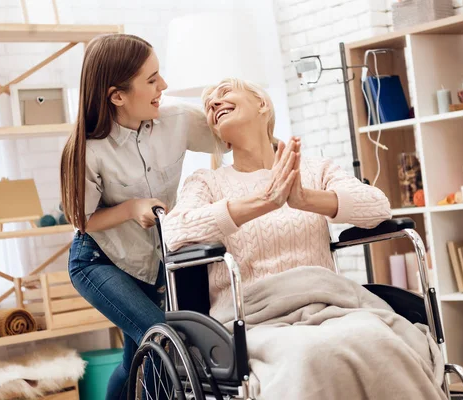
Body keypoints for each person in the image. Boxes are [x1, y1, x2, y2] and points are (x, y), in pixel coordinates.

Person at [162, 78, 447, 399]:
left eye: (224, 93)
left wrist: (305, 199)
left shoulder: (313, 169)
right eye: (209, 103)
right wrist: (263, 203)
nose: (214, 103)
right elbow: (175, 232)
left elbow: (377, 207)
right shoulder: (208, 182)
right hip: (255, 320)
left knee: (378, 341)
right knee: (309, 355)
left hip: (330, 306)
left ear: (261, 104)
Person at [59, 34, 219, 399]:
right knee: (163, 339)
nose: (163, 86)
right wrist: (131, 209)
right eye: (151, 80)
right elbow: (83, 220)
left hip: (152, 262)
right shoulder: (86, 149)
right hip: (99, 261)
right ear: (117, 95)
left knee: (134, 362)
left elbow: (229, 139)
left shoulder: (176, 119)